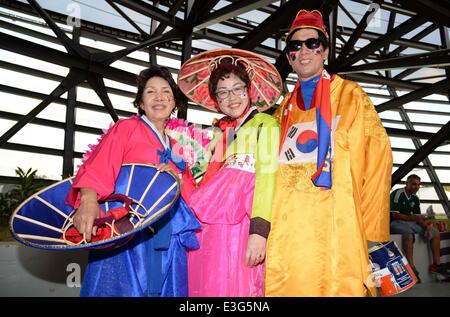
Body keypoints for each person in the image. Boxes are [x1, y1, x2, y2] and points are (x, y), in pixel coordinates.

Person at [264, 10, 393, 296]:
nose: (304, 50)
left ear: (325, 51)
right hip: (290, 230)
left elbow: (378, 160)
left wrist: (370, 229)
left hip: (338, 226)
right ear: (289, 57)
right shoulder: (283, 109)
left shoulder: (351, 96)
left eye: (312, 43)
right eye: (295, 46)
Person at [65, 65, 201, 297]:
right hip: (127, 232)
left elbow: (193, 198)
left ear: (174, 102)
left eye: (166, 92)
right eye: (150, 92)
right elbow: (99, 166)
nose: (159, 97)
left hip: (168, 234)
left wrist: (177, 180)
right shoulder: (125, 128)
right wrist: (88, 200)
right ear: (140, 103)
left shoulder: (177, 148)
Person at [177, 48, 282, 296]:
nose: (231, 97)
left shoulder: (265, 125)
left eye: (237, 89)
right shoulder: (222, 135)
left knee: (237, 287)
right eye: (222, 92)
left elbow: (267, 180)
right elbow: (201, 183)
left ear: (249, 90)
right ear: (216, 99)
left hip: (240, 226)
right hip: (209, 229)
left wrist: (259, 233)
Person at [390, 174, 449, 281]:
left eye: (418, 185)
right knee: (408, 234)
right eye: (413, 184)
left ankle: (436, 265)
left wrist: (426, 226)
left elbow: (417, 218)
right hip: (396, 222)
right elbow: (394, 215)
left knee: (435, 232)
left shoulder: (416, 198)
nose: (416, 187)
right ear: (406, 183)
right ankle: (411, 268)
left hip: (411, 222)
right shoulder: (397, 193)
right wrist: (414, 218)